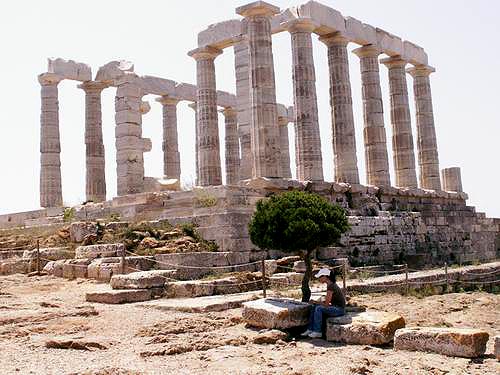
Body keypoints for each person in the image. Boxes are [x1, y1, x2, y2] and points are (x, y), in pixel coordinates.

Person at [302, 268, 346, 339]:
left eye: (320, 277)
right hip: (335, 307)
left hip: (339, 310)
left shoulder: (331, 286)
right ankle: (310, 329)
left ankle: (318, 331)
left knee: (318, 308)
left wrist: (315, 302)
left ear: (325, 276)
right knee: (314, 306)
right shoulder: (330, 285)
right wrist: (315, 303)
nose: (318, 279)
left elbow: (326, 304)